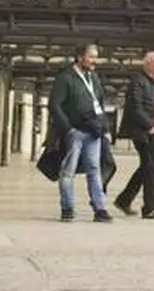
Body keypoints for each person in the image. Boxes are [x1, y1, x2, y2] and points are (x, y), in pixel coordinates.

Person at [48, 44, 114, 223]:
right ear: (79, 57)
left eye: (95, 57)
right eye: (91, 57)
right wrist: (68, 129)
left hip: (93, 132)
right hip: (75, 132)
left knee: (94, 169)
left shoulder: (93, 77)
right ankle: (67, 208)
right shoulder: (65, 78)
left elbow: (99, 104)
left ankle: (100, 209)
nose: (95, 61)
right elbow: (55, 105)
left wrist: (106, 128)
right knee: (67, 171)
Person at [113, 52, 154, 220]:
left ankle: (124, 200)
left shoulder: (153, 84)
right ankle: (150, 208)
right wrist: (150, 125)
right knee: (151, 169)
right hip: (144, 133)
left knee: (146, 168)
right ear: (149, 64)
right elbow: (134, 107)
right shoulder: (138, 82)